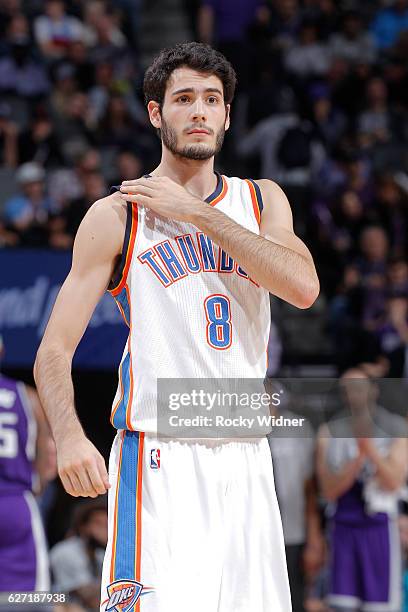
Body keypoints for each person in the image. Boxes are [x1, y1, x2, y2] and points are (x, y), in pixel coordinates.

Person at [34, 42, 319, 612]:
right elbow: (53, 350)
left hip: (245, 457)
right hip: (160, 457)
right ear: (156, 113)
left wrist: (197, 214)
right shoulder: (119, 214)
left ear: (227, 116)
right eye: (184, 99)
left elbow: (303, 288)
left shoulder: (262, 201)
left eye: (212, 100)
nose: (199, 112)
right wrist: (67, 434)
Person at [316, 368, 408, 612]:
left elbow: (393, 482)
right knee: (342, 605)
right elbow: (327, 490)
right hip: (343, 527)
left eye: (357, 387)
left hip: (379, 527)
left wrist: (370, 451)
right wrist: (356, 460)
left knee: (380, 606)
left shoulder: (397, 427)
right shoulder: (328, 432)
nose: (352, 394)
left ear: (373, 390)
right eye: (346, 389)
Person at [0, 335, 53, 596]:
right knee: (27, 597)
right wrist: (37, 489)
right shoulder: (27, 396)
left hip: (14, 496)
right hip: (15, 502)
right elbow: (45, 457)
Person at [50, 499, 108, 611]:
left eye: (107, 525)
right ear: (83, 527)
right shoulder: (66, 551)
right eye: (98, 523)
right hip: (56, 605)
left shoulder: (100, 554)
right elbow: (88, 596)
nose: (104, 530)